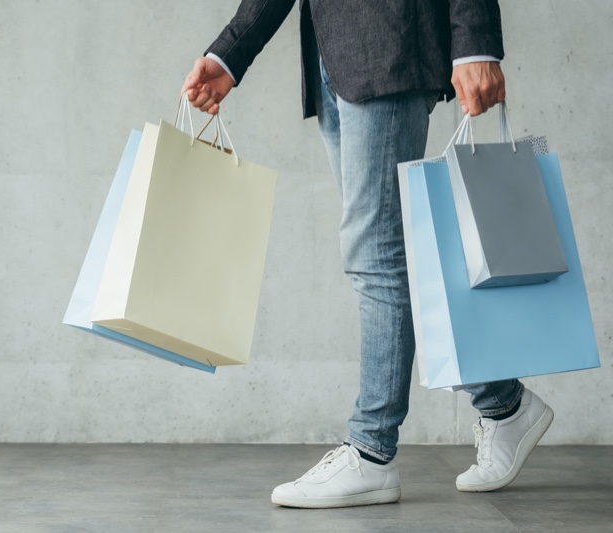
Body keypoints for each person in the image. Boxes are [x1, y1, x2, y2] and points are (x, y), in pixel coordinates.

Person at [180, 0, 554, 509]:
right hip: (337, 56)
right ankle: (505, 406)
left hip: (391, 43)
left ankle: (372, 450)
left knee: (375, 257)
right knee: (395, 260)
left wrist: (475, 40)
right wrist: (228, 54)